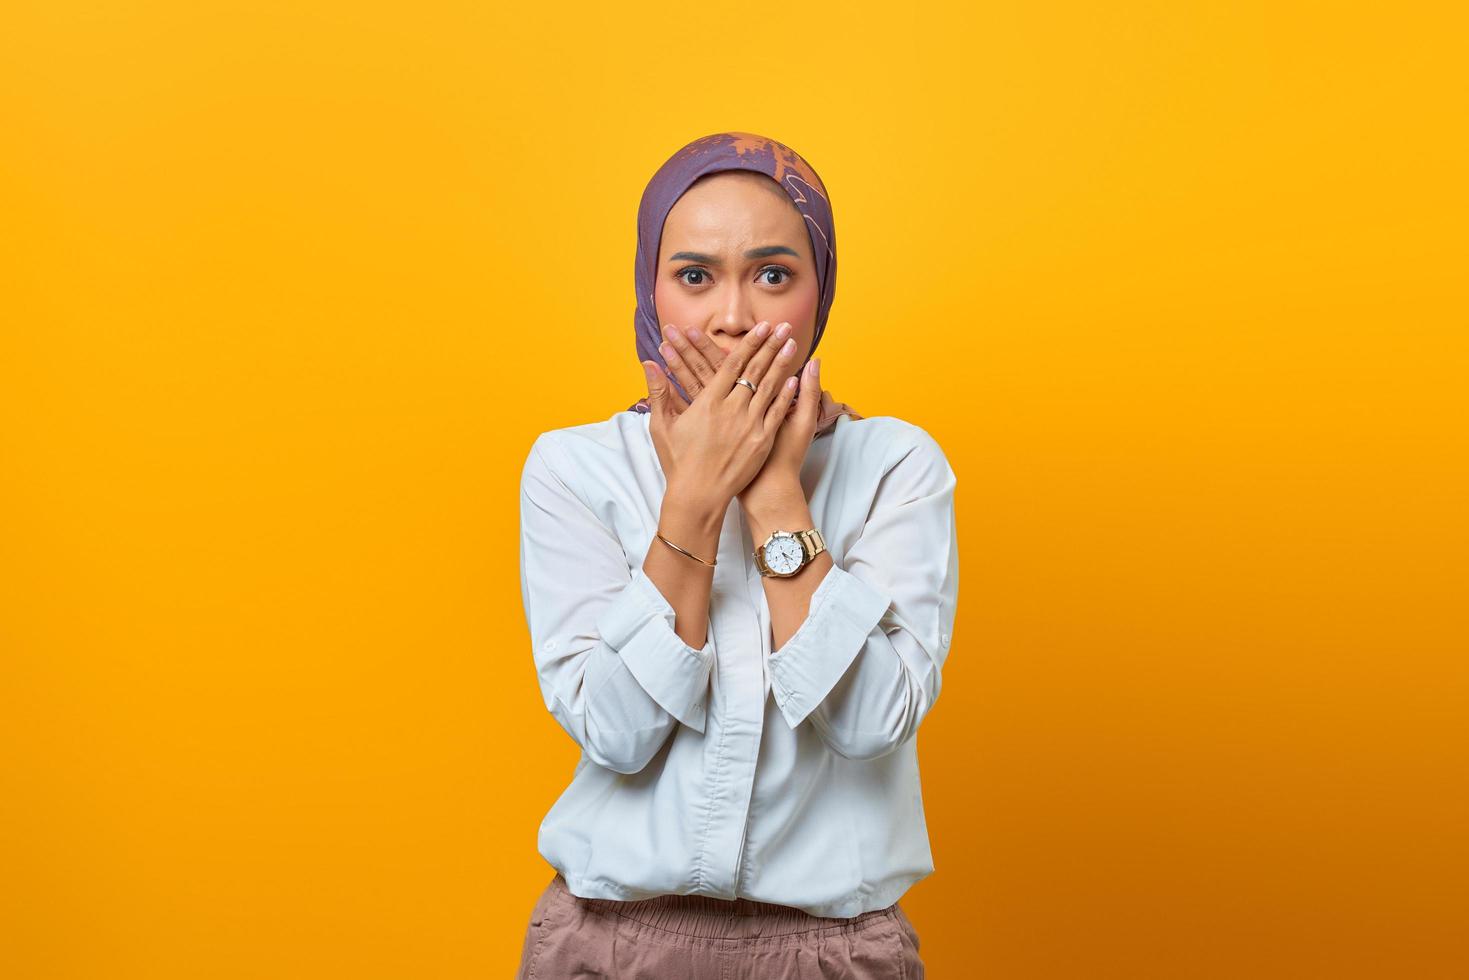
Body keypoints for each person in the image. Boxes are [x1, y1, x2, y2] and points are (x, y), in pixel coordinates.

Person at [515, 131, 957, 979]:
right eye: (694, 276)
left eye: (772, 274)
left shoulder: (896, 465)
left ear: (818, 293)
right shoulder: (572, 468)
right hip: (608, 946)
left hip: (832, 953)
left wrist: (772, 495)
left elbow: (870, 725)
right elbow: (615, 733)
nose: (733, 317)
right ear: (650, 290)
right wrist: (694, 499)